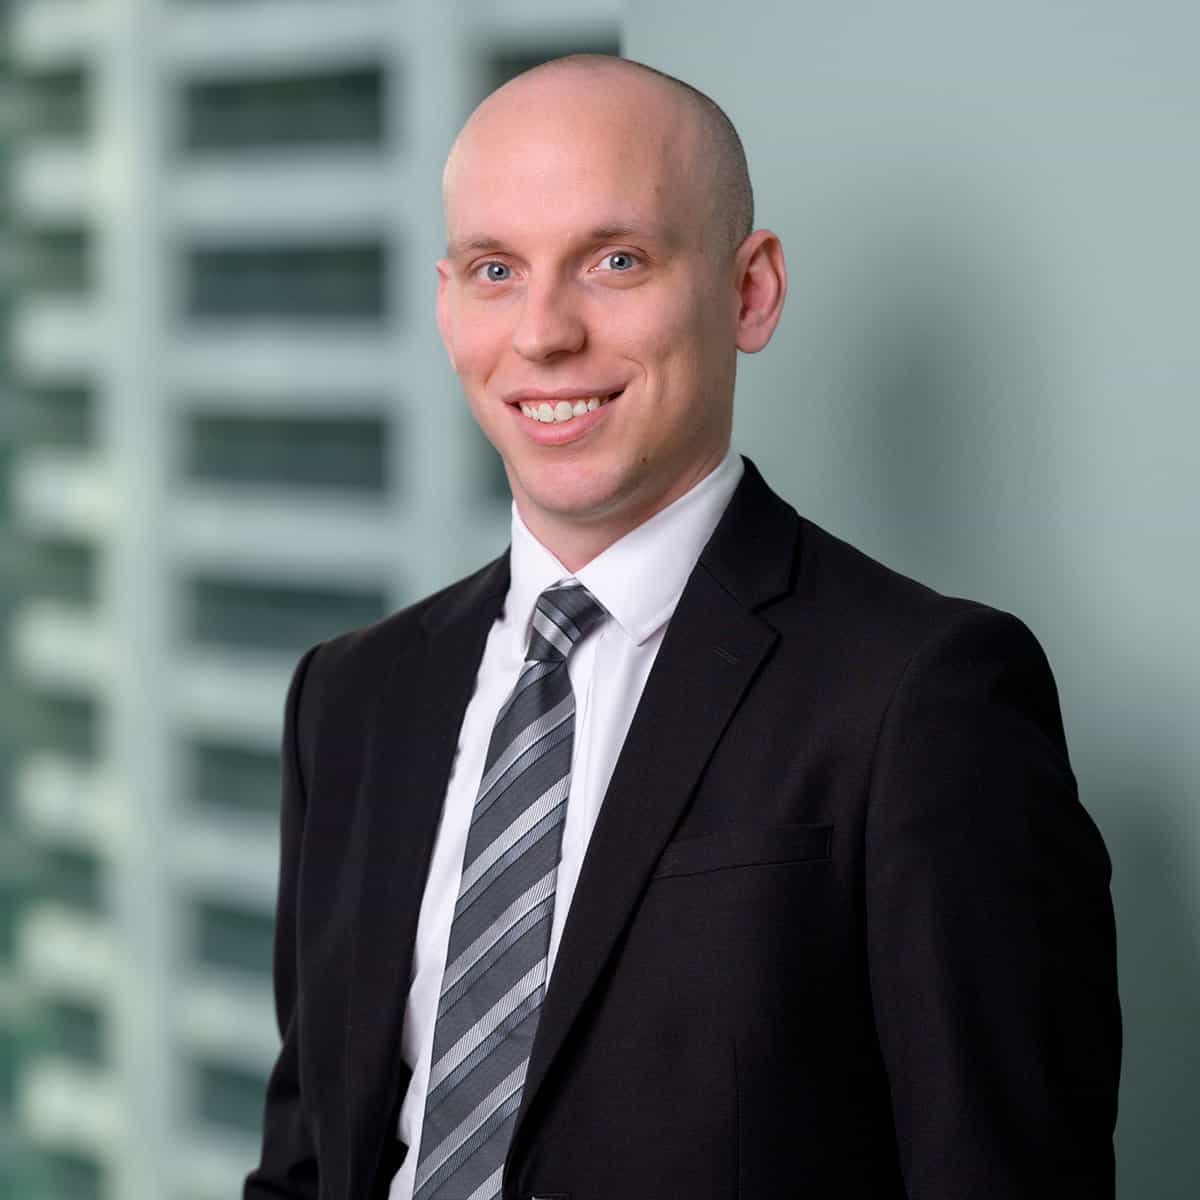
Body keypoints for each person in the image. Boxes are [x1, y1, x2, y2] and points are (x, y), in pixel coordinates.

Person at [245, 55, 1120, 1200]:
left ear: (749, 290)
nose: (545, 333)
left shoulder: (925, 696)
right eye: (497, 269)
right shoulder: (351, 699)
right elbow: (311, 1159)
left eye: (616, 261)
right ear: (447, 301)